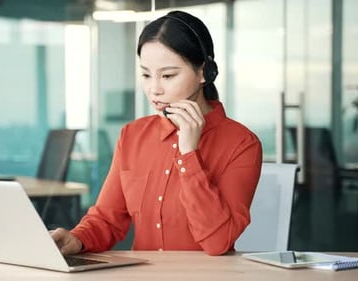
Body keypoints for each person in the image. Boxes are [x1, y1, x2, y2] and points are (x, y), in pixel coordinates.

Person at [51, 10, 262, 256]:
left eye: (168, 75)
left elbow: (218, 242)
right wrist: (77, 238)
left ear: (204, 72)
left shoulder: (242, 144)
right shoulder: (132, 135)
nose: (154, 89)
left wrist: (189, 155)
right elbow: (107, 220)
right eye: (146, 74)